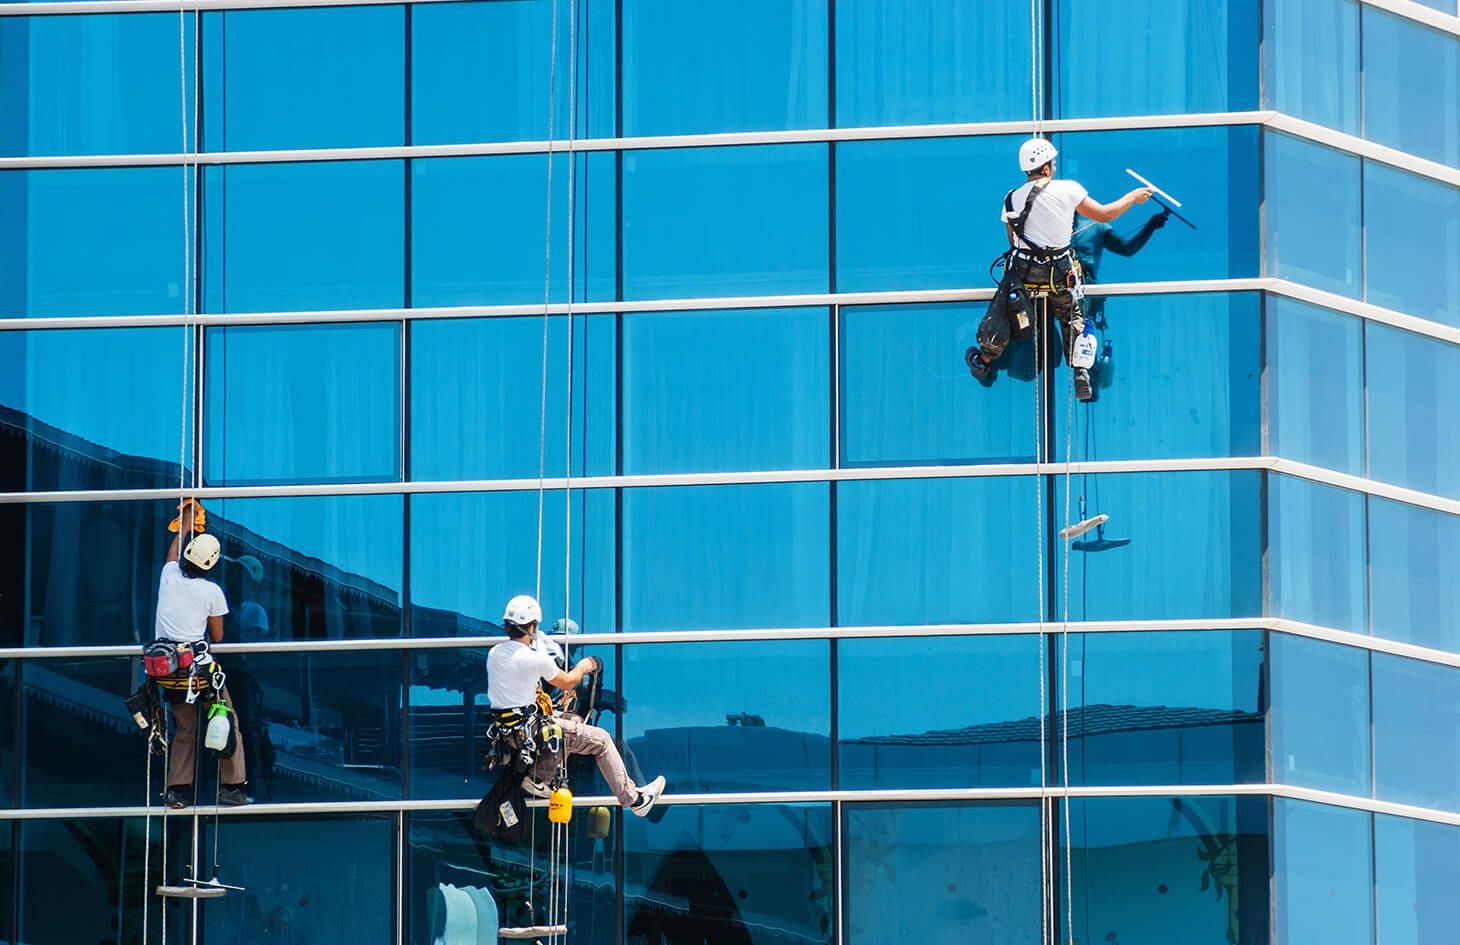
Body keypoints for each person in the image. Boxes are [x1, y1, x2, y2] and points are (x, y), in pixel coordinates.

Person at [967, 137, 1153, 401]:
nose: (1054, 167)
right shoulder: (1068, 189)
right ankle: (1080, 371)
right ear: (1045, 167)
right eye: (1052, 163)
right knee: (1071, 316)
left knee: (1003, 309)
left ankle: (984, 358)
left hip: (1024, 274)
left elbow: (1012, 241)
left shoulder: (1010, 199)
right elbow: (1105, 214)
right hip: (1059, 273)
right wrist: (1132, 197)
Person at [486, 594, 665, 816]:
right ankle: (635, 800)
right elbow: (568, 681)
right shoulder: (534, 658)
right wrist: (583, 666)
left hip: (509, 732)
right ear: (532, 626)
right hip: (531, 732)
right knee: (601, 740)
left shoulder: (494, 653)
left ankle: (540, 778)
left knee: (573, 722)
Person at [154, 500, 252, 808]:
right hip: (198, 671)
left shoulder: (168, 578)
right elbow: (218, 636)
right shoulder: (211, 592)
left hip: (168, 671)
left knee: (185, 728)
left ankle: (177, 791)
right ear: (212, 564)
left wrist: (185, 523)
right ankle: (231, 787)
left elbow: (172, 555)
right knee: (225, 718)